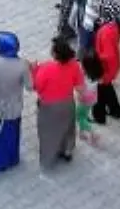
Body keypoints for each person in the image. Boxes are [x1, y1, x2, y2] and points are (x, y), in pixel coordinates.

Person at [0, 31, 32, 176]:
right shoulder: (22, 65)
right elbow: (29, 86)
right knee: (10, 135)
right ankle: (8, 160)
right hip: (13, 107)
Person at [31, 36, 85, 168]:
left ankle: (49, 157)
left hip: (49, 106)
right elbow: (80, 87)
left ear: (55, 54)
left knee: (48, 131)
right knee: (68, 128)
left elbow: (36, 86)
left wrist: (33, 70)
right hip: (67, 103)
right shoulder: (74, 65)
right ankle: (67, 151)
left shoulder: (45, 68)